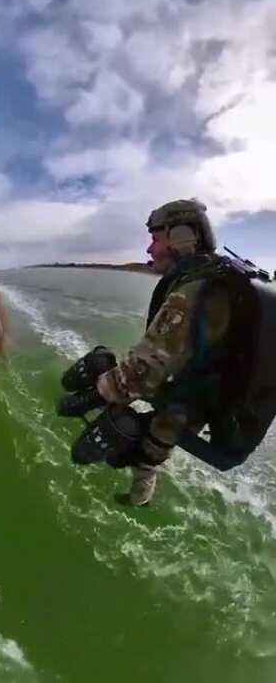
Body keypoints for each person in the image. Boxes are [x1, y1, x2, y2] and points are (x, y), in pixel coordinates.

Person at [63, 199, 276, 506]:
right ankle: (142, 493)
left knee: (114, 393)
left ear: (180, 237)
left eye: (154, 239)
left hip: (209, 396)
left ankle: (141, 480)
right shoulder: (229, 279)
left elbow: (140, 375)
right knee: (163, 423)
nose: (149, 250)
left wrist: (91, 394)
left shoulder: (197, 288)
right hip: (216, 400)